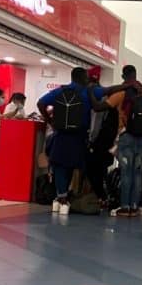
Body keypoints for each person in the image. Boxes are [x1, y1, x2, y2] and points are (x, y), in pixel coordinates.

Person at [37, 67, 104, 216]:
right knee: (73, 167)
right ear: (81, 78)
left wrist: (50, 121)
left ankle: (60, 198)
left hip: (61, 135)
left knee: (60, 166)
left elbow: (41, 103)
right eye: (86, 77)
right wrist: (126, 85)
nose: (88, 79)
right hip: (79, 135)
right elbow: (107, 91)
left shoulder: (60, 91)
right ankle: (66, 198)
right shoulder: (88, 92)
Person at [95, 65, 142, 217]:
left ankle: (124, 207)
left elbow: (99, 107)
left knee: (126, 172)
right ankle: (134, 206)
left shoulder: (121, 94)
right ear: (135, 74)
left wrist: (92, 93)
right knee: (138, 173)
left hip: (126, 137)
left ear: (123, 76)